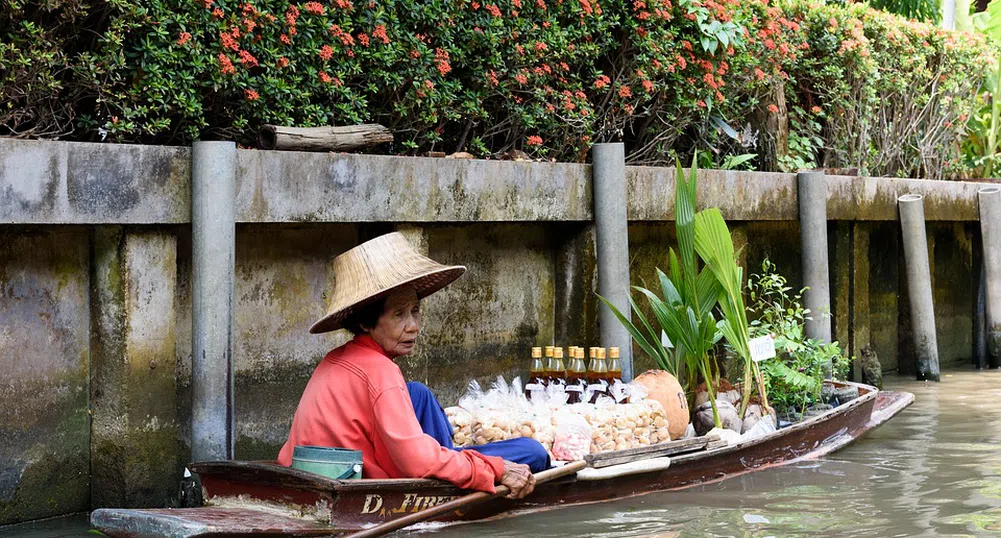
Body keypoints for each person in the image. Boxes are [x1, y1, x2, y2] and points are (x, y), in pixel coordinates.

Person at [278, 232, 549, 498]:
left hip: (325, 466)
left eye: (415, 312)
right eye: (399, 315)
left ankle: (450, 457)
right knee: (532, 451)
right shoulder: (380, 371)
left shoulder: (335, 358)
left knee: (417, 392)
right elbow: (415, 462)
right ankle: (453, 466)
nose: (414, 327)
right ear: (365, 323)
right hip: (356, 477)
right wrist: (493, 469)